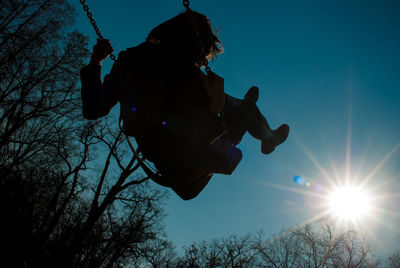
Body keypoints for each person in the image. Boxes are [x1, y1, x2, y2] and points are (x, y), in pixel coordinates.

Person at [80, 11, 289, 200]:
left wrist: (96, 61)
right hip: (192, 170)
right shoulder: (187, 73)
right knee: (243, 110)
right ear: (197, 44)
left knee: (234, 107)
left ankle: (245, 110)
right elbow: (198, 126)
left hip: (170, 168)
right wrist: (215, 105)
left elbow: (93, 108)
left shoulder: (129, 60)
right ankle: (261, 128)